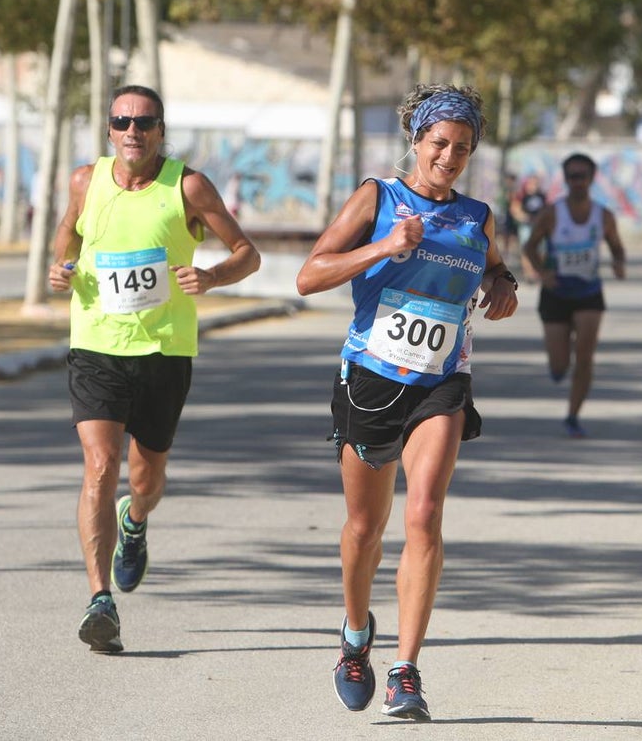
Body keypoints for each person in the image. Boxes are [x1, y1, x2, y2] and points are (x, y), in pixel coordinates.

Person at [295, 84, 518, 722]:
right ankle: (357, 636)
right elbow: (310, 275)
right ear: (416, 141)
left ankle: (406, 670)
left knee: (423, 514)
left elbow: (495, 265)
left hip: (440, 383)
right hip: (369, 379)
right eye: (439, 143)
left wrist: (504, 284)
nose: (449, 157)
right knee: (365, 529)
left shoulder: (477, 216)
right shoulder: (377, 198)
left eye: (463, 148)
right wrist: (384, 246)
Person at [47, 84, 261, 653]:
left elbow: (247, 253)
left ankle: (135, 521)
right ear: (109, 129)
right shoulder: (85, 180)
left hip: (164, 350)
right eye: (122, 121)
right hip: (96, 343)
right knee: (99, 467)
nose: (132, 132)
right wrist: (61, 266)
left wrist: (212, 277)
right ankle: (100, 601)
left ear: (161, 130)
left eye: (144, 123)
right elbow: (68, 229)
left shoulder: (187, 185)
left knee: (146, 478)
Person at [522, 153, 626, 438]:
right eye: (572, 176)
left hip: (589, 292)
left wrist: (618, 263)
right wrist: (543, 273)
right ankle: (559, 364)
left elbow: (617, 246)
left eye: (583, 176)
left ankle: (573, 415)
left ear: (592, 179)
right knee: (559, 365)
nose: (577, 182)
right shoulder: (552, 213)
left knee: (585, 357)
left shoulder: (603, 216)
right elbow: (530, 246)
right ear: (566, 179)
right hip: (556, 292)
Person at [514, 174, 547, 280]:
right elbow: (515, 209)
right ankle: (528, 272)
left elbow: (547, 210)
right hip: (526, 226)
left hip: (539, 226)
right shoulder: (522, 195)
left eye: (535, 184)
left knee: (541, 250)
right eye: (530, 183)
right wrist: (524, 217)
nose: (532, 186)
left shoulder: (542, 196)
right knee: (526, 249)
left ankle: (538, 270)